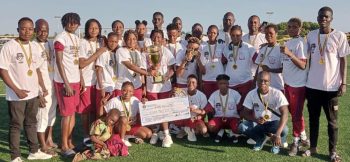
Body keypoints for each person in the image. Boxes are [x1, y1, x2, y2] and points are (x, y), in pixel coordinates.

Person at [0, 17, 52, 162]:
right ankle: (15, 156)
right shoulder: (9, 46)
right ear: (18, 30)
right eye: (23, 28)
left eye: (30, 29)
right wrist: (16, 90)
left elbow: (37, 70)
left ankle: (33, 152)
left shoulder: (35, 47)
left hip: (33, 94)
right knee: (16, 125)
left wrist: (41, 89)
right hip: (17, 95)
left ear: (34, 31)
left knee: (31, 122)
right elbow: (2, 70)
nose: (27, 32)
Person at [304, 6, 349, 162]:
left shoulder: (339, 36)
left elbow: (343, 60)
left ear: (331, 19)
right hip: (312, 87)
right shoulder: (310, 35)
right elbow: (303, 57)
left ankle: (332, 152)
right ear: (317, 18)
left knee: (332, 122)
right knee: (313, 119)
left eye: (326, 17)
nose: (323, 19)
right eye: (321, 16)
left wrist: (344, 83)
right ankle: (313, 148)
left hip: (331, 88)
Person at [280, 17, 310, 156]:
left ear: (300, 28)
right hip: (287, 83)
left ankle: (296, 141)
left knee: (296, 115)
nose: (291, 29)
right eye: (289, 26)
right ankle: (303, 136)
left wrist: (289, 53)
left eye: (294, 27)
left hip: (298, 85)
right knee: (293, 112)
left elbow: (303, 65)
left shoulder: (301, 43)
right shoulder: (288, 42)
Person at [239, 71, 289, 154]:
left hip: (274, 124)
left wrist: (278, 133)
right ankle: (260, 138)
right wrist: (256, 120)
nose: (263, 83)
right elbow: (245, 113)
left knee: (284, 129)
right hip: (259, 124)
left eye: (265, 81)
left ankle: (276, 139)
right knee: (242, 126)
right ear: (257, 81)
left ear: (270, 82)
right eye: (260, 80)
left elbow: (285, 113)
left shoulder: (277, 93)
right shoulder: (251, 94)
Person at [53, 12, 81, 156]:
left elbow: (76, 61)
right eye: (70, 22)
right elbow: (59, 61)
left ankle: (69, 142)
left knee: (72, 114)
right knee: (66, 114)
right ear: (64, 23)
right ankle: (64, 145)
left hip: (75, 80)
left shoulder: (76, 38)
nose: (73, 24)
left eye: (75, 22)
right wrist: (66, 83)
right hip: (65, 82)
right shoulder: (60, 38)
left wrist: (79, 80)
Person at [79, 18, 106, 143]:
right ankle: (85, 135)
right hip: (87, 80)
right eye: (91, 28)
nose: (94, 30)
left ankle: (95, 134)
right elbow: (81, 64)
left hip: (99, 82)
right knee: (85, 110)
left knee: (96, 110)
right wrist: (98, 53)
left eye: (96, 28)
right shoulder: (82, 42)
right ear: (86, 29)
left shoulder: (101, 42)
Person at [34, 19, 58, 156]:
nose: (43, 33)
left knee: (52, 114)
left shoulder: (51, 43)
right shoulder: (32, 46)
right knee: (41, 116)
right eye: (40, 30)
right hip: (42, 88)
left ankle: (49, 139)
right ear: (36, 30)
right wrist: (39, 91)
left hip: (53, 84)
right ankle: (42, 145)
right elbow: (34, 70)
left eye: (46, 30)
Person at [104, 82, 152, 146]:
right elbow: (104, 115)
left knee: (148, 134)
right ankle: (122, 140)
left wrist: (145, 104)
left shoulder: (135, 100)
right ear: (121, 90)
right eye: (124, 90)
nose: (127, 93)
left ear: (133, 92)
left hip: (130, 126)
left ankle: (128, 137)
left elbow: (142, 113)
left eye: (130, 91)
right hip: (118, 127)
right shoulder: (114, 101)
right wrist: (102, 105)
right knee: (124, 118)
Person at [223, 25, 256, 112]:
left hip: (245, 83)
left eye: (238, 35)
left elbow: (258, 61)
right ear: (230, 35)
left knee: (247, 109)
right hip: (231, 84)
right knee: (233, 109)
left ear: (241, 35)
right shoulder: (226, 48)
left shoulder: (249, 47)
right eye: (233, 35)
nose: (235, 38)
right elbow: (222, 62)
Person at [116, 30, 153, 100]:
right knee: (123, 109)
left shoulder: (137, 52)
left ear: (136, 40)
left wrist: (143, 86)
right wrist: (148, 73)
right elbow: (131, 66)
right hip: (123, 87)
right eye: (129, 39)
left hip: (137, 86)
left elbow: (141, 70)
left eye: (134, 39)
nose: (132, 41)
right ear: (125, 40)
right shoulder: (121, 50)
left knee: (135, 109)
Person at [205, 74, 241, 143]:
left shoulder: (235, 94)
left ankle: (232, 132)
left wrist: (240, 118)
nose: (223, 85)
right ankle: (221, 130)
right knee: (210, 126)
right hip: (219, 118)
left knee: (238, 128)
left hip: (233, 118)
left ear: (228, 83)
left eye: (225, 83)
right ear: (217, 84)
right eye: (220, 83)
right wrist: (209, 112)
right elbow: (209, 107)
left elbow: (240, 108)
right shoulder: (214, 94)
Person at [174, 75, 208, 142]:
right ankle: (186, 129)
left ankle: (187, 129)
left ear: (197, 84)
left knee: (204, 130)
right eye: (189, 82)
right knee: (176, 119)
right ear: (186, 83)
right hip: (183, 117)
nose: (190, 84)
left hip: (195, 119)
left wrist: (195, 116)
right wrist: (172, 93)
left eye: (193, 82)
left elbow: (203, 113)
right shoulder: (181, 92)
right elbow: (174, 106)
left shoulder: (202, 96)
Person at [95, 32, 120, 117]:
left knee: (111, 113)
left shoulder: (115, 53)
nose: (113, 44)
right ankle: (97, 129)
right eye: (111, 41)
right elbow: (98, 70)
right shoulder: (103, 52)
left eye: (115, 42)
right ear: (107, 41)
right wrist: (102, 88)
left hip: (112, 87)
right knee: (101, 112)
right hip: (104, 88)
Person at [254, 24, 284, 91]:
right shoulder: (262, 49)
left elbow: (283, 69)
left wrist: (270, 70)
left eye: (271, 33)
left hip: (276, 86)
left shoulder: (280, 49)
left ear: (276, 34)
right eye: (266, 33)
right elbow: (259, 68)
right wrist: (254, 82)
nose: (268, 35)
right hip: (261, 86)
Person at [200, 25, 225, 98]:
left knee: (219, 100)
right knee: (208, 100)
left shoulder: (222, 45)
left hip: (219, 79)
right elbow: (200, 65)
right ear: (207, 33)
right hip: (207, 79)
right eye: (210, 32)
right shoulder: (202, 46)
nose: (212, 35)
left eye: (214, 33)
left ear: (217, 34)